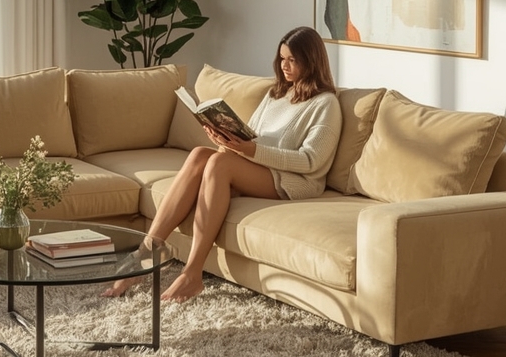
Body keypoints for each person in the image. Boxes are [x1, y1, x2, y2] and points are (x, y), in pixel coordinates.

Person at [104, 25, 343, 302]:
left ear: (312, 61)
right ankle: (146, 250)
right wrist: (226, 138)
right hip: (260, 166)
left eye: (292, 60)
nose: (284, 66)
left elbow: (310, 161)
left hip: (295, 180)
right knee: (199, 155)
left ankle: (193, 273)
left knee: (219, 164)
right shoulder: (276, 93)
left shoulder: (326, 104)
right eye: (281, 58)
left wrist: (249, 150)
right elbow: (252, 133)